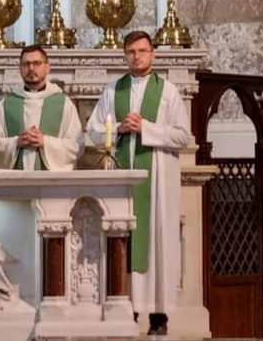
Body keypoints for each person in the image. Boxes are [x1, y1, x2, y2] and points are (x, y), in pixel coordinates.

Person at [86, 31, 191, 335]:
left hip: (157, 180)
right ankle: (126, 310)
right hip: (122, 179)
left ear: (153, 54)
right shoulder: (113, 90)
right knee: (124, 239)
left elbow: (182, 136)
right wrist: (119, 128)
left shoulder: (168, 92)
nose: (137, 56)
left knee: (156, 240)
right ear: (124, 56)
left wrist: (146, 127)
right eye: (131, 51)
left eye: (142, 51)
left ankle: (159, 315)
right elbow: (92, 131)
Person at [0, 45, 83, 170]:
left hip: (52, 179)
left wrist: (45, 142)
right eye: (26, 64)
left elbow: (77, 146)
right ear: (20, 69)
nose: (31, 68)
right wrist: (15, 143)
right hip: (16, 178)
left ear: (47, 68)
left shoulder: (64, 104)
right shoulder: (6, 104)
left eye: (36, 63)